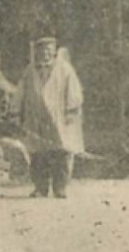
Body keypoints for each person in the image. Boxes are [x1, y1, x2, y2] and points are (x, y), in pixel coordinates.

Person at [20, 36, 84, 198]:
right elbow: (21, 90)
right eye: (41, 51)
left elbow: (74, 90)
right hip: (36, 117)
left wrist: (71, 110)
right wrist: (15, 109)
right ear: (37, 52)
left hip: (59, 117)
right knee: (37, 154)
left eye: (48, 51)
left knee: (61, 152)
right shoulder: (30, 70)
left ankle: (60, 187)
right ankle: (40, 187)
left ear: (54, 52)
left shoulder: (64, 69)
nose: (45, 54)